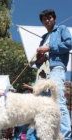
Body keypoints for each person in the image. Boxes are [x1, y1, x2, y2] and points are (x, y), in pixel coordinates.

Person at [37, 9, 72, 140]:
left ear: (54, 19)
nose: (47, 20)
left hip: (57, 68)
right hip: (43, 72)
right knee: (43, 104)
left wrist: (49, 48)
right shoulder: (43, 39)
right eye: (44, 19)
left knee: (58, 100)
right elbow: (39, 62)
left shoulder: (62, 29)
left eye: (49, 18)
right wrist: (39, 59)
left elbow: (69, 44)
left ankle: (65, 136)